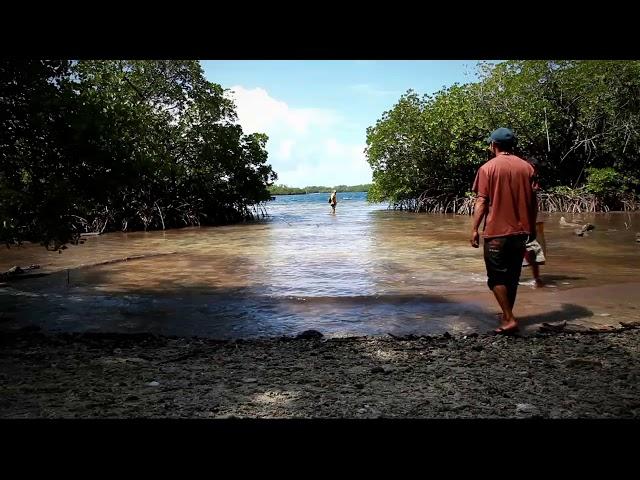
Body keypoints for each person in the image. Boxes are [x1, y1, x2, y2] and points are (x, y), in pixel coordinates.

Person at [470, 127, 537, 334]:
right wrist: (532, 227)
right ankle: (508, 313)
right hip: (521, 233)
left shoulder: (487, 168)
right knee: (512, 276)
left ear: (493, 145)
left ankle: (509, 318)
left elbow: (482, 201)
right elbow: (534, 202)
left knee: (496, 278)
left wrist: (474, 229)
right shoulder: (527, 168)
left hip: (497, 233)